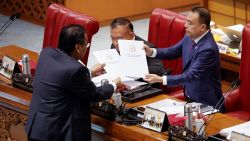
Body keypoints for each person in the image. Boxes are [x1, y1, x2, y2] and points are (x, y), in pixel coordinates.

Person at [25, 24, 124, 141]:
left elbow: (62, 79)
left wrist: (90, 74)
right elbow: (94, 95)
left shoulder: (46, 53)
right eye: (86, 45)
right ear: (77, 47)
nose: (86, 48)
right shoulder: (76, 69)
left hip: (36, 128)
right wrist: (113, 84)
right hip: (58, 133)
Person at [143, 7, 223, 109]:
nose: (185, 25)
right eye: (186, 21)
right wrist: (151, 52)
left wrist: (160, 79)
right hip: (190, 99)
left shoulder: (208, 49)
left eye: (190, 23)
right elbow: (172, 52)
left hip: (207, 105)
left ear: (202, 27)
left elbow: (190, 76)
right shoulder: (189, 37)